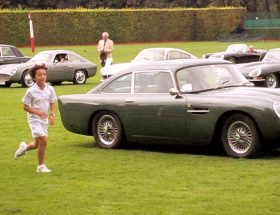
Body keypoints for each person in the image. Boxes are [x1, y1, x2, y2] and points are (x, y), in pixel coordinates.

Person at [14, 64, 57, 173]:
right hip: (34, 119)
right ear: (34, 77)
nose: (42, 77)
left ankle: (24, 148)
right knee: (44, 140)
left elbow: (52, 102)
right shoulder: (31, 91)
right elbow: (25, 106)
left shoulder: (50, 89)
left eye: (44, 74)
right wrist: (38, 113)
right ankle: (41, 166)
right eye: (39, 75)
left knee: (38, 144)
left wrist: (52, 114)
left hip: (44, 119)